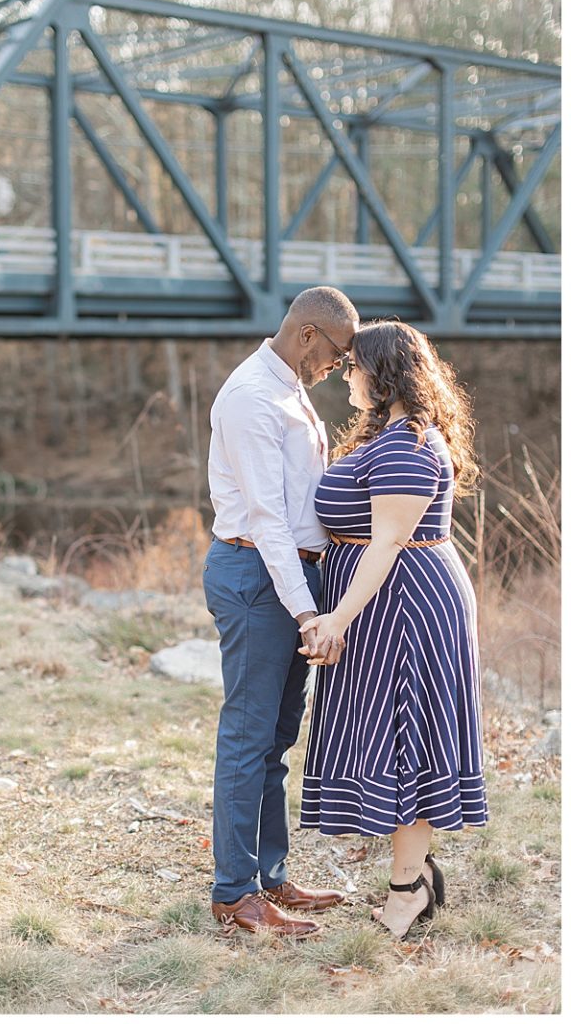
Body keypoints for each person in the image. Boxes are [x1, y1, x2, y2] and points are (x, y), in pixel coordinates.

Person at [298, 320, 488, 938]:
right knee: (392, 738)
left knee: (407, 744)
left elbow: (386, 544)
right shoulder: (381, 437)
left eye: (352, 366)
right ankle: (418, 870)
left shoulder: (407, 444)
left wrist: (334, 620)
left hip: (405, 608)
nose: (345, 375)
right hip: (382, 602)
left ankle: (407, 888)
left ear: (381, 373)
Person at [201, 286, 358, 937]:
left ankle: (270, 874)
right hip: (257, 576)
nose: (342, 367)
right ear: (307, 335)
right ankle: (233, 892)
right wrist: (305, 613)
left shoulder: (291, 389)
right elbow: (267, 518)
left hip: (291, 577)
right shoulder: (250, 398)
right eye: (338, 353)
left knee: (276, 737)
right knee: (247, 733)